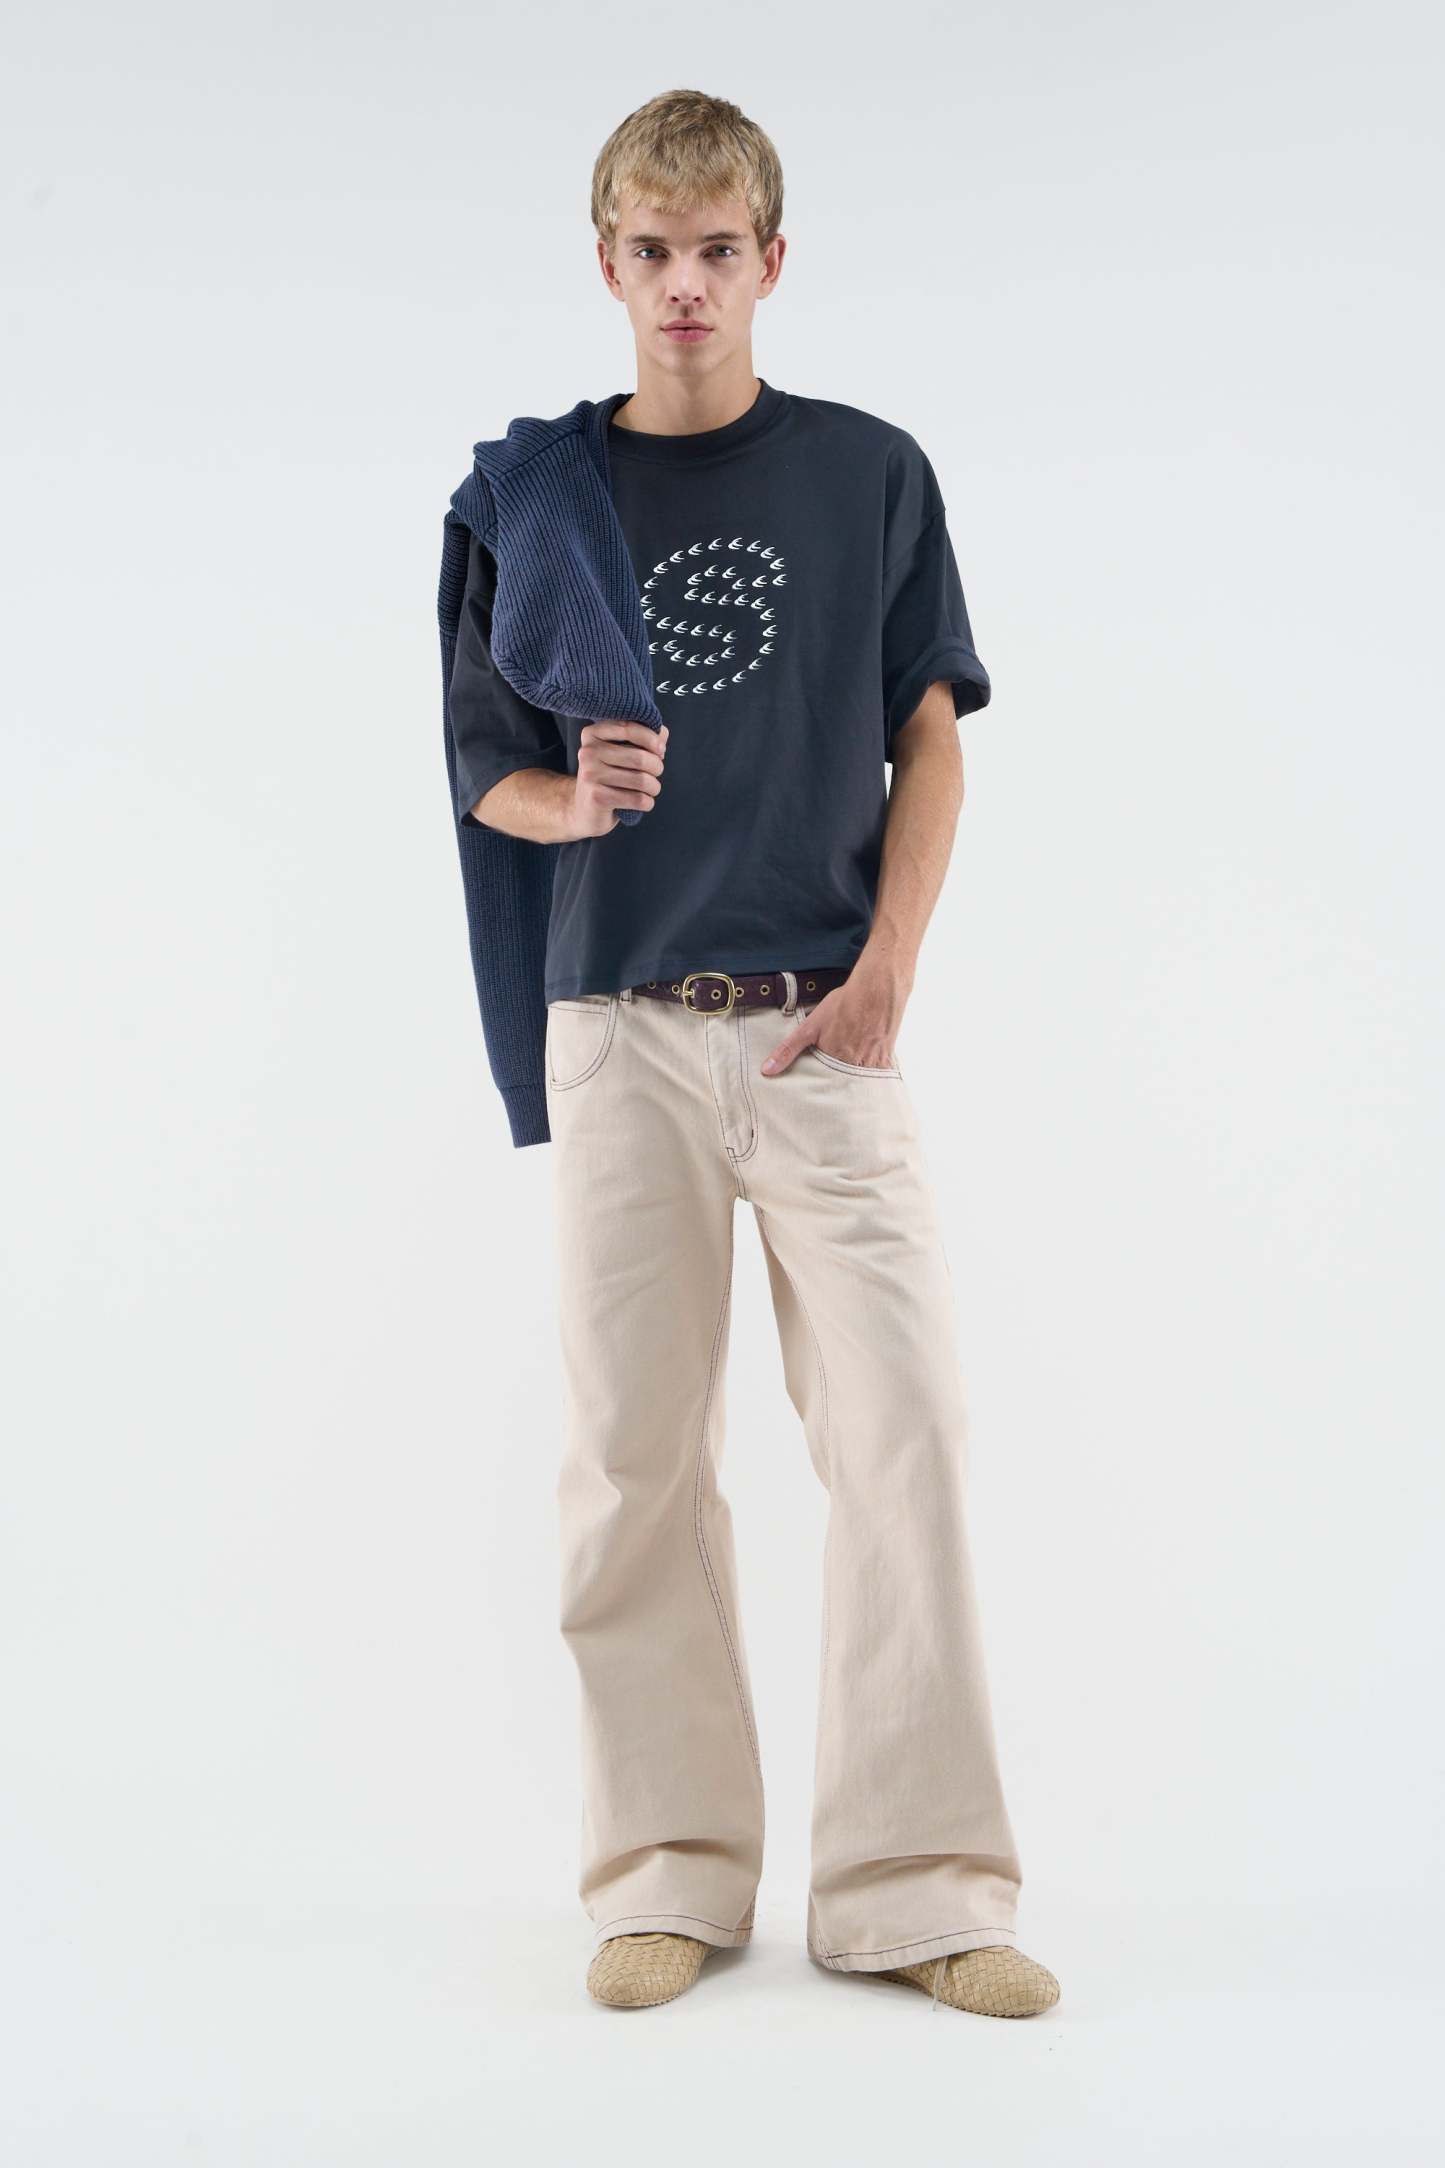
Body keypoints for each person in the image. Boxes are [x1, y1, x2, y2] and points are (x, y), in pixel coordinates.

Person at [444, 87, 1060, 2019]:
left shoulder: (867, 471)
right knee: (631, 1459)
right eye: (652, 251)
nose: (685, 285)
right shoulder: (533, 501)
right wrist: (568, 796)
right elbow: (481, 771)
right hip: (619, 1025)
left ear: (769, 261)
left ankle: (919, 1892)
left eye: (718, 250)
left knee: (906, 1432)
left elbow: (929, 732)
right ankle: (667, 1874)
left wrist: (886, 974)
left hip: (819, 1025)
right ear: (606, 265)